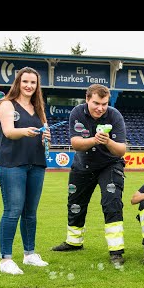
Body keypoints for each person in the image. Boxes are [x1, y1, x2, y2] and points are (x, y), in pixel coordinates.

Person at [51, 84, 127, 267]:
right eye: (96, 103)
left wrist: (107, 142)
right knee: (75, 203)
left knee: (112, 201)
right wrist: (94, 140)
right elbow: (75, 143)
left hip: (110, 164)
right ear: (87, 99)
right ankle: (74, 242)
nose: (100, 108)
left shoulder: (115, 115)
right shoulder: (77, 113)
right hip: (82, 165)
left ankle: (116, 250)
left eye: (104, 103)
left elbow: (121, 150)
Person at [0, 66, 51, 275]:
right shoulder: (7, 104)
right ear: (18, 82)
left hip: (36, 163)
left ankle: (29, 254)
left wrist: (47, 138)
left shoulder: (39, 109)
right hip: (12, 164)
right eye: (25, 81)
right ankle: (6, 259)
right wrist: (26, 132)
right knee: (12, 211)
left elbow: (45, 137)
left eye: (33, 82)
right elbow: (9, 132)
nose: (29, 86)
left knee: (30, 213)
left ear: (37, 86)